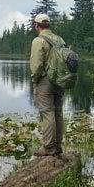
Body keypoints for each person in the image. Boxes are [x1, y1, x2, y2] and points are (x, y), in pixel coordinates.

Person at [29, 13, 66, 156]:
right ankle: (57, 146)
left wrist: (35, 79)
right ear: (48, 25)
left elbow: (36, 65)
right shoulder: (59, 39)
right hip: (60, 81)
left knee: (47, 112)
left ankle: (49, 147)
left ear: (36, 25)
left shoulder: (38, 41)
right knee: (58, 112)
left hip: (45, 81)